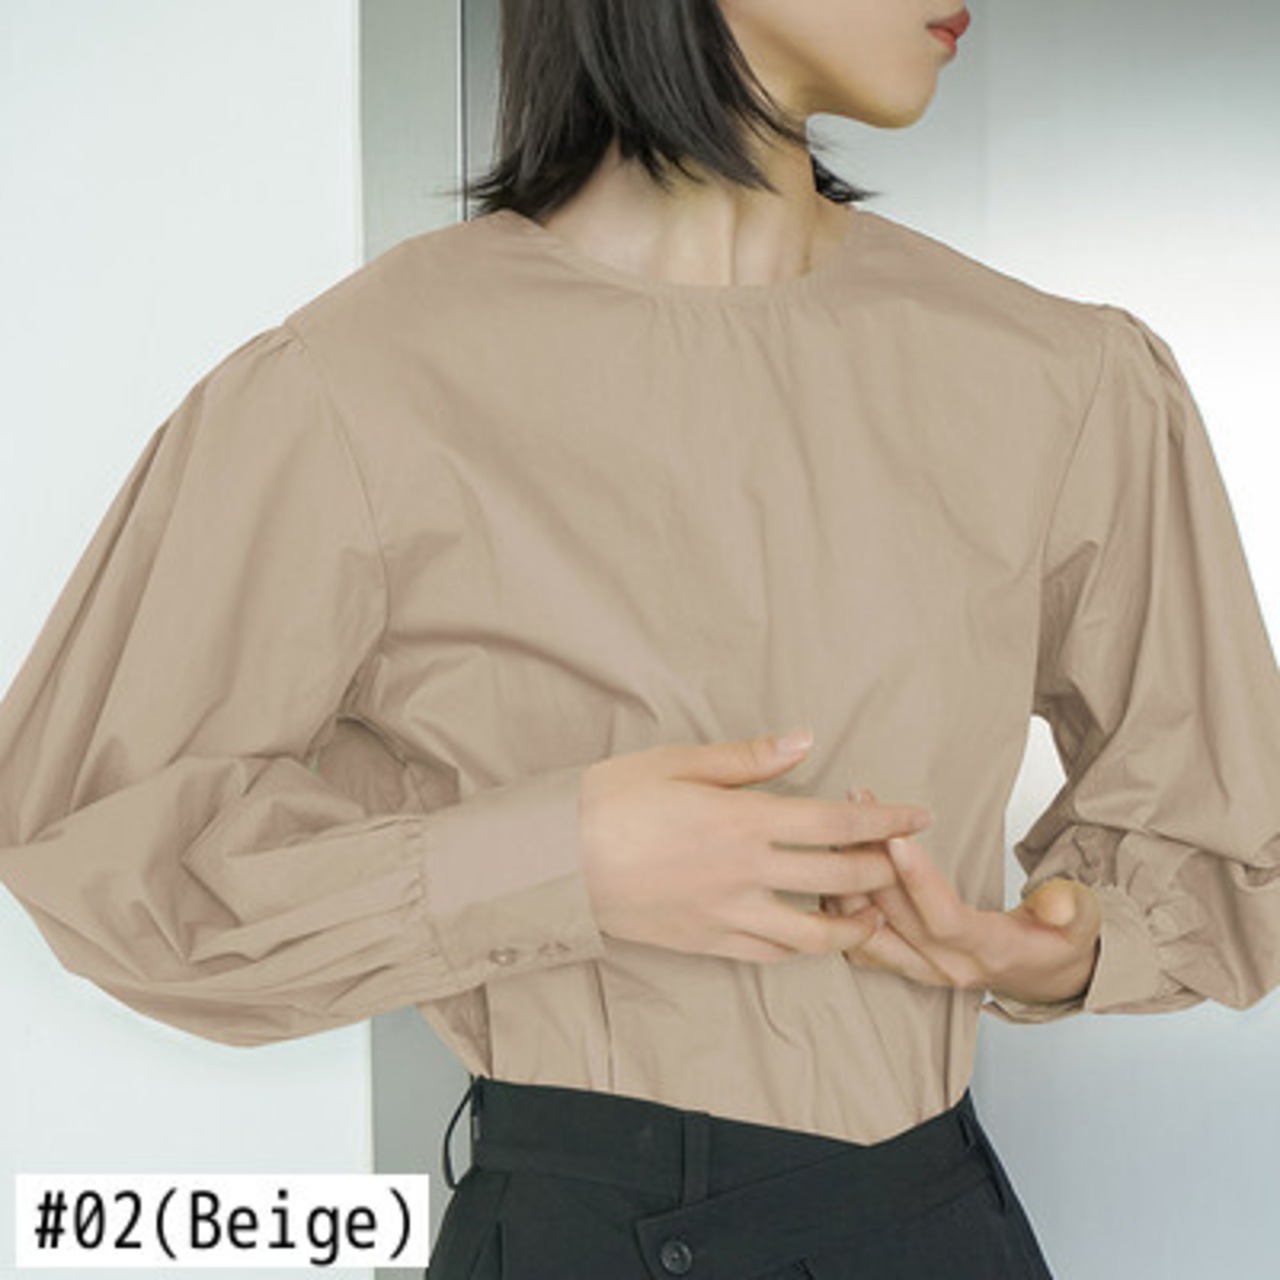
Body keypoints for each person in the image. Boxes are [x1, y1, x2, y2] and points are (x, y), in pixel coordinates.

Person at [1, 2, 1278, 1277]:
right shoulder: (359, 382)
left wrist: (1065, 949)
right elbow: (101, 843)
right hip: (576, 1228)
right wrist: (561, 861)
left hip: (933, 1217)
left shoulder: (1058, 375)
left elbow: (1222, 829)